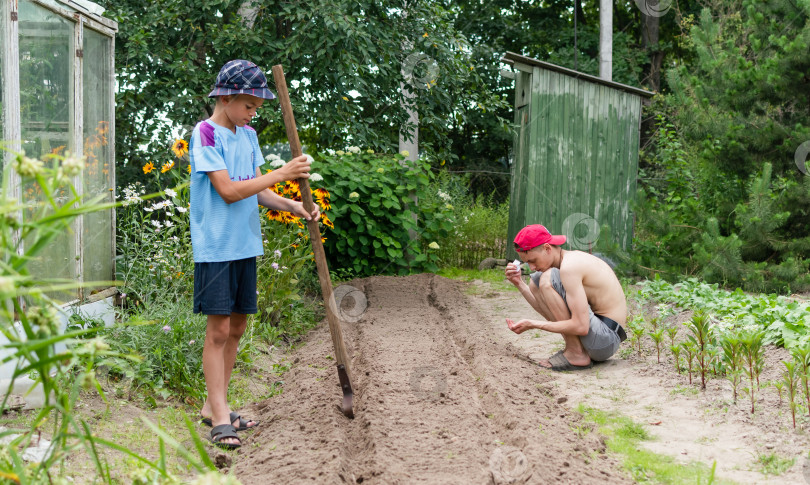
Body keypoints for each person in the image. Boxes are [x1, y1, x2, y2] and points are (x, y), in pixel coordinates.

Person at [190, 59, 319, 449]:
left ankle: (217, 407)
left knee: (239, 328)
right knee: (218, 331)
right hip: (216, 246)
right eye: (249, 106)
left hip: (245, 245)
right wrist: (282, 172)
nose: (252, 113)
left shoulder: (247, 137)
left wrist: (292, 205)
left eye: (258, 108)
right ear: (227, 98)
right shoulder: (206, 133)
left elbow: (257, 190)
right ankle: (218, 417)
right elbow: (228, 191)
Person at [504, 224, 627, 371]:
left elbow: (581, 326)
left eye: (533, 260)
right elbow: (549, 312)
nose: (531, 267)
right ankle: (576, 350)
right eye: (527, 262)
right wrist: (519, 283)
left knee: (546, 278)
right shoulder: (566, 262)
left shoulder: (570, 266)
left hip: (605, 339)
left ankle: (576, 353)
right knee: (535, 280)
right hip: (597, 337)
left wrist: (533, 324)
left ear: (547, 248)